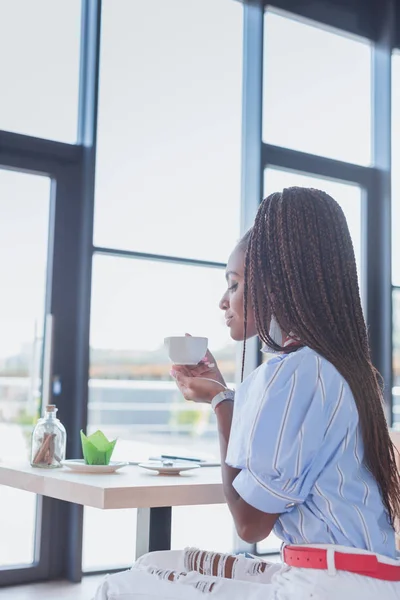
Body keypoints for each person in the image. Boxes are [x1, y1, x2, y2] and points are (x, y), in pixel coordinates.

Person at [94, 187, 400, 599]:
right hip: (361, 577)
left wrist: (222, 403)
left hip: (329, 585)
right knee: (155, 564)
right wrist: (224, 394)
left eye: (235, 284)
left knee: (121, 587)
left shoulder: (294, 374)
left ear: (276, 286)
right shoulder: (336, 367)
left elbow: (250, 523)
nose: (224, 301)